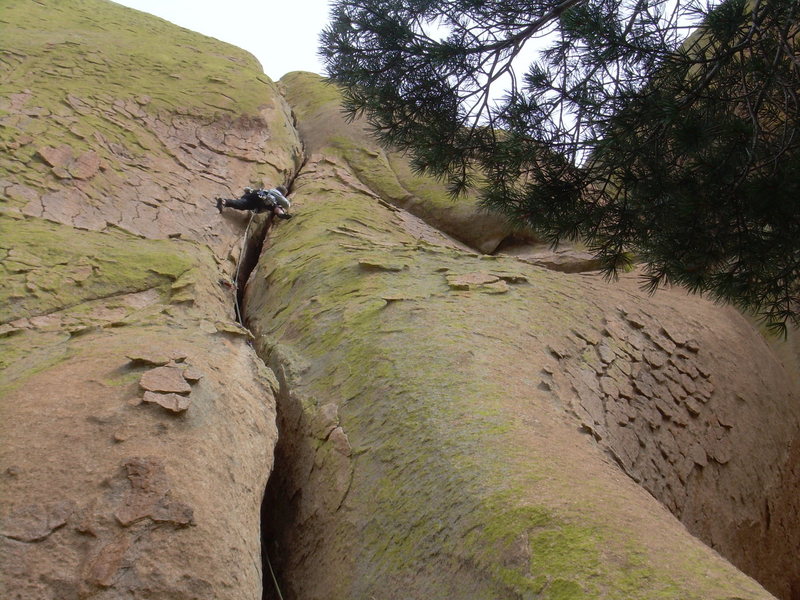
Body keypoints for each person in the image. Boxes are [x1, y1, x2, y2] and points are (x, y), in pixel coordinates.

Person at [216, 185, 292, 219]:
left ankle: (224, 201)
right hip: (264, 199)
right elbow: (286, 204)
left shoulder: (266, 190)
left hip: (254, 194)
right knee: (276, 206)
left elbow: (247, 189)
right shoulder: (277, 195)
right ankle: (281, 214)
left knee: (242, 204)